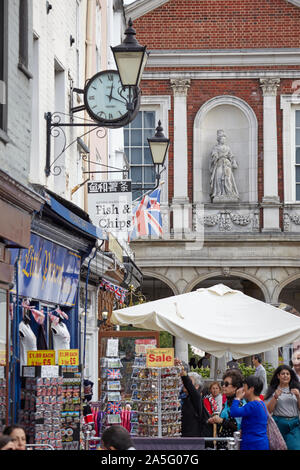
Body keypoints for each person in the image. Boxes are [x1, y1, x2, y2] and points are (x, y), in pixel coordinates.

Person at [208, 369, 246, 449]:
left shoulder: (239, 403)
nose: (223, 386)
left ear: (235, 387)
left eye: (226, 384)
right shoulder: (227, 401)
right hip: (223, 443)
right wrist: (216, 420)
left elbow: (238, 427)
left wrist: (221, 420)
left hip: (232, 445)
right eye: (222, 383)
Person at [175, 358, 212, 438]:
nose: (184, 384)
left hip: (193, 438)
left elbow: (188, 384)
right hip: (184, 436)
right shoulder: (186, 398)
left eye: (190, 382)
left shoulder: (197, 397)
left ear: (196, 386)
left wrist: (182, 370)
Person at [265, 364, 300, 450]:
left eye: (287, 374)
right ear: (278, 376)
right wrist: (275, 397)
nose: (285, 376)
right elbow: (269, 410)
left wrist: (298, 397)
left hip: (294, 425)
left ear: (290, 376)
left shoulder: (296, 390)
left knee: (295, 447)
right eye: (283, 374)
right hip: (278, 424)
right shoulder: (273, 390)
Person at [230, 375, 269, 450]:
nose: (242, 389)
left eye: (244, 386)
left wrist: (237, 398)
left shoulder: (253, 405)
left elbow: (233, 412)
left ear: (251, 389)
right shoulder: (261, 403)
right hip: (260, 443)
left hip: (252, 444)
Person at [209, 129, 239, 202]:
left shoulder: (227, 148)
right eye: (222, 138)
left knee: (228, 179)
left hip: (226, 164)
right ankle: (218, 194)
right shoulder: (215, 147)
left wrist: (233, 162)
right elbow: (213, 155)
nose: (223, 140)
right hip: (219, 164)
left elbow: (231, 156)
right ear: (219, 139)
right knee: (218, 179)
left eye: (224, 139)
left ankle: (229, 193)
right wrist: (215, 156)